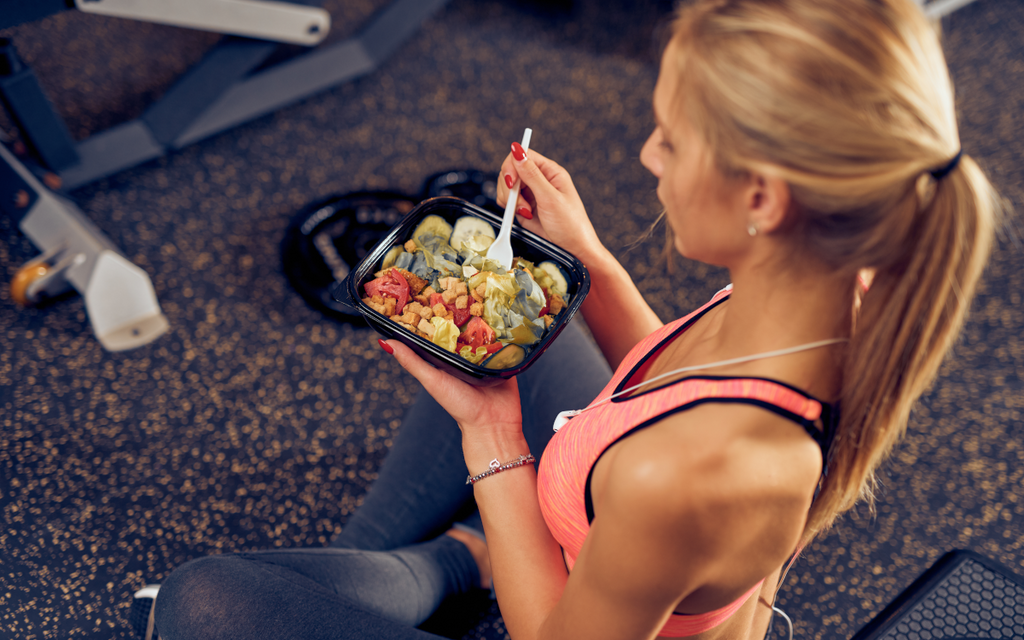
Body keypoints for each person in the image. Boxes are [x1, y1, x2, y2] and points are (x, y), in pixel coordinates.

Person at [151, 0, 997, 638]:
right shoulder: (825, 285)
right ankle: (441, 561)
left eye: (668, 139)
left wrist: (490, 433)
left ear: (762, 199)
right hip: (626, 518)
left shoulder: (692, 478)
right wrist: (590, 262)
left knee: (205, 601)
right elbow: (680, 371)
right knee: (506, 322)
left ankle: (418, 569)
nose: (646, 156)